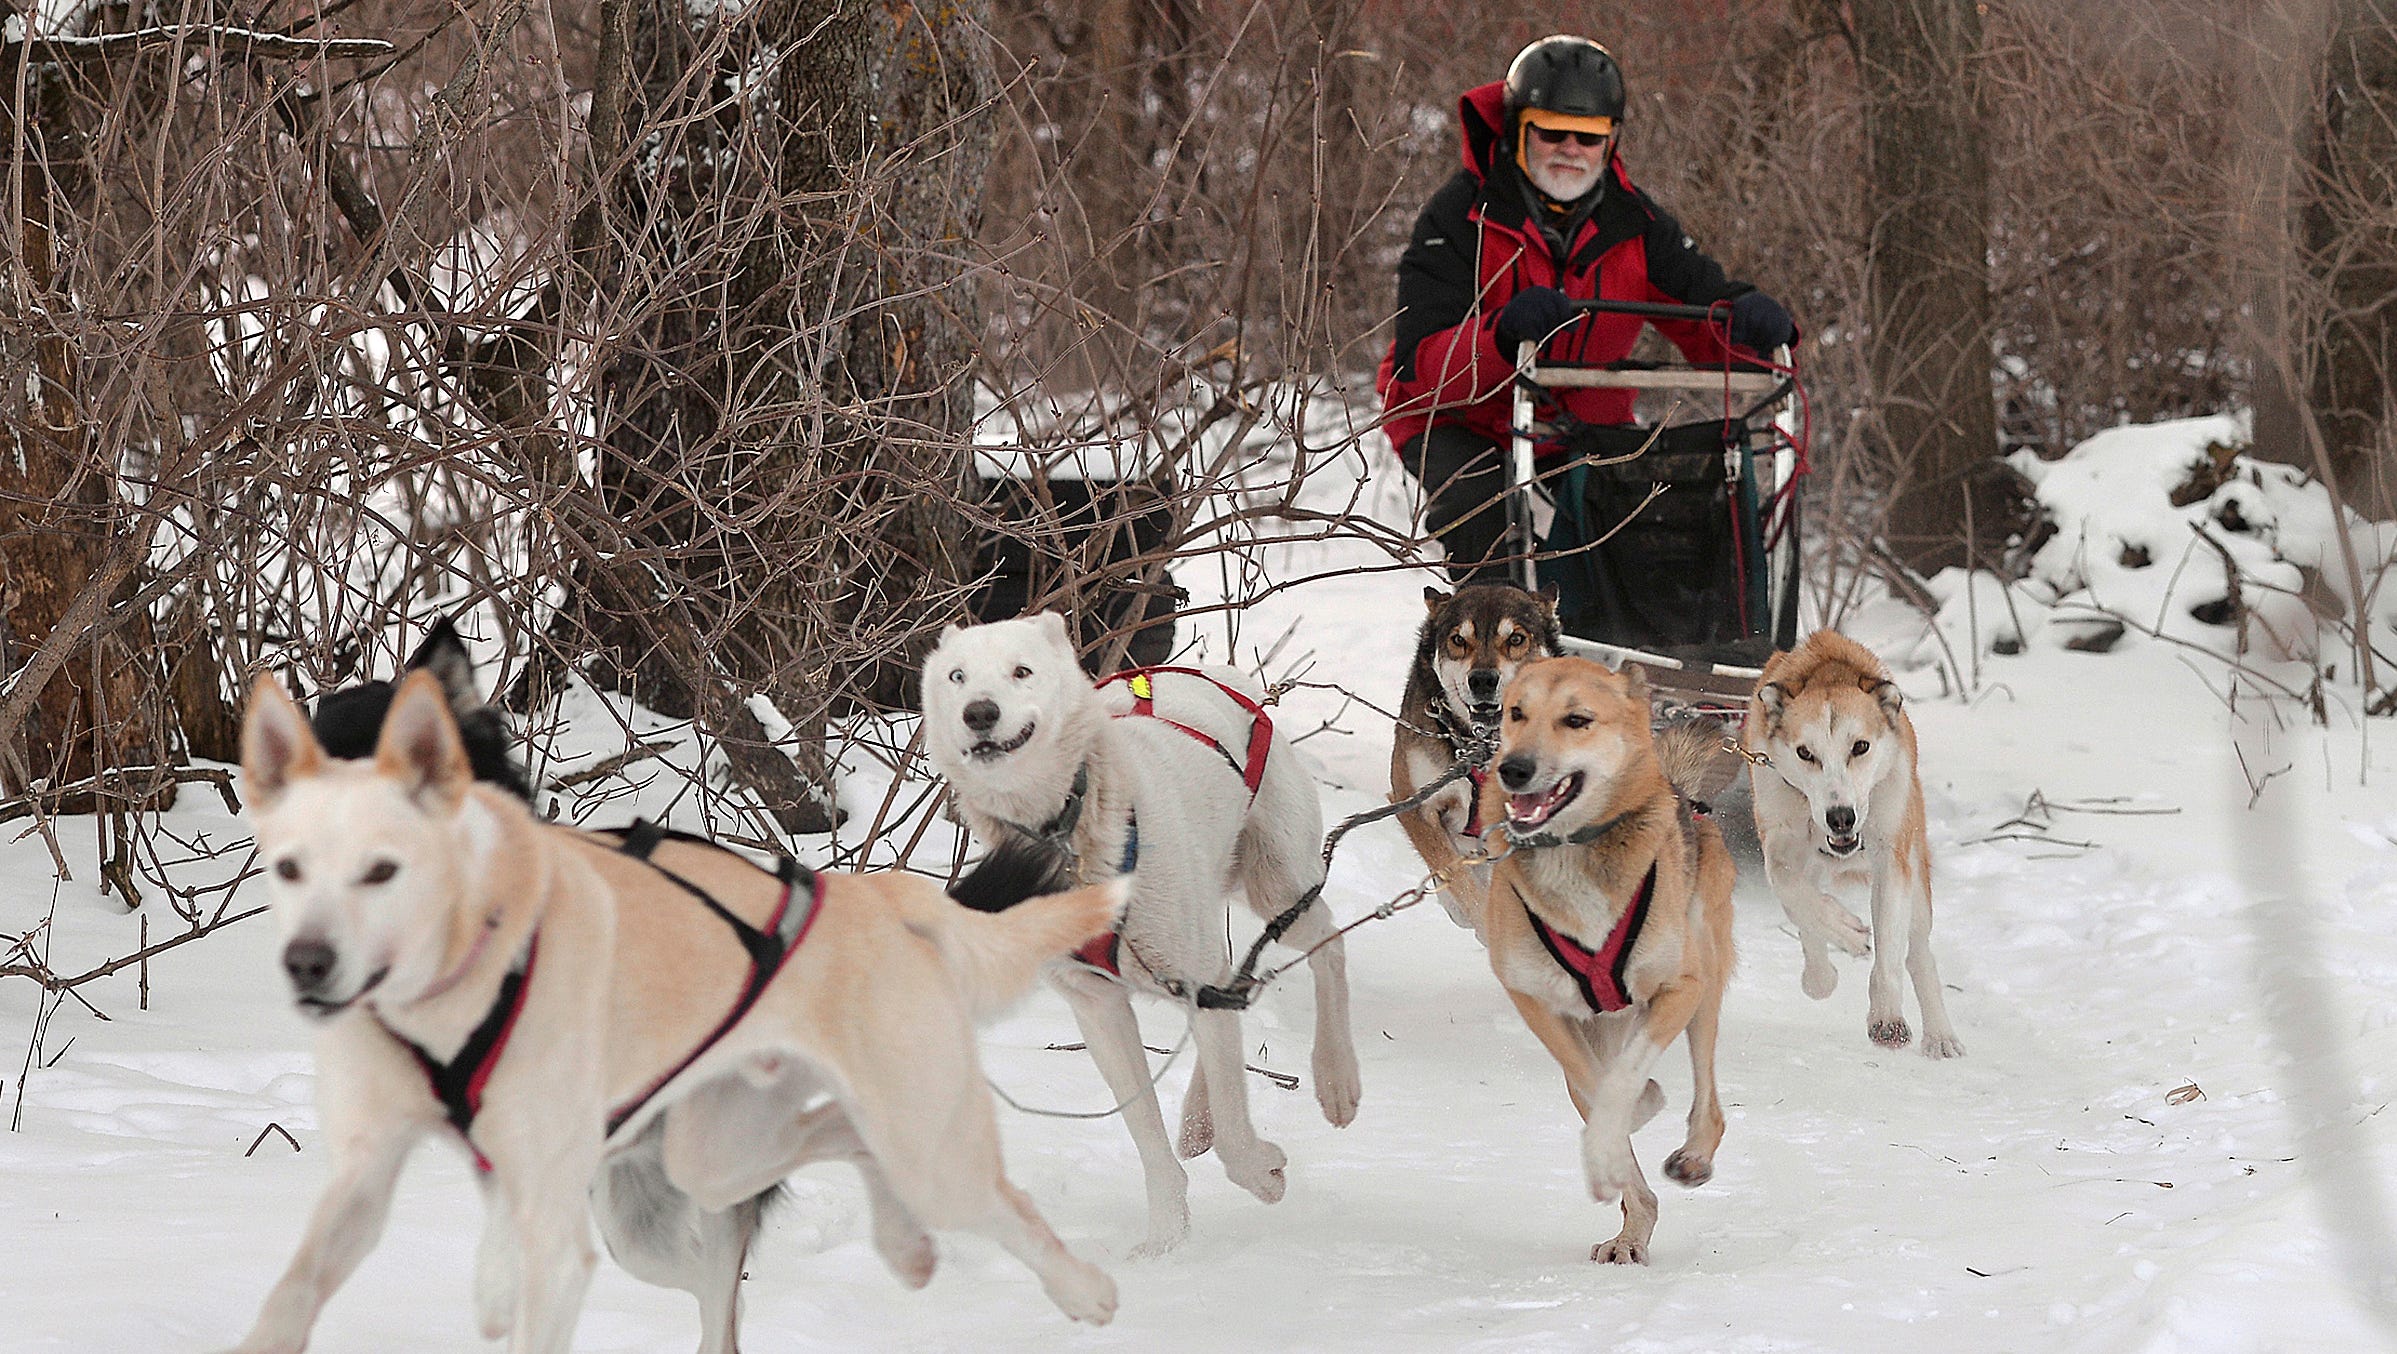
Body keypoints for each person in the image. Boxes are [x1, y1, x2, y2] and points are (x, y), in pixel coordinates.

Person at [1377, 35, 1797, 587]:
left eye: (1589, 136)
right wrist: (1501, 337)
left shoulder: (1635, 223)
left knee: (1650, 521)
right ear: (1519, 129)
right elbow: (1421, 365)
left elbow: (1702, 308)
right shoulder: (1461, 217)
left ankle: (1634, 658)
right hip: (1460, 416)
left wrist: (1747, 325)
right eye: (1552, 132)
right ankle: (1492, 665)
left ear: (1610, 140)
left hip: (1581, 420)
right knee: (1485, 512)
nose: (1569, 148)